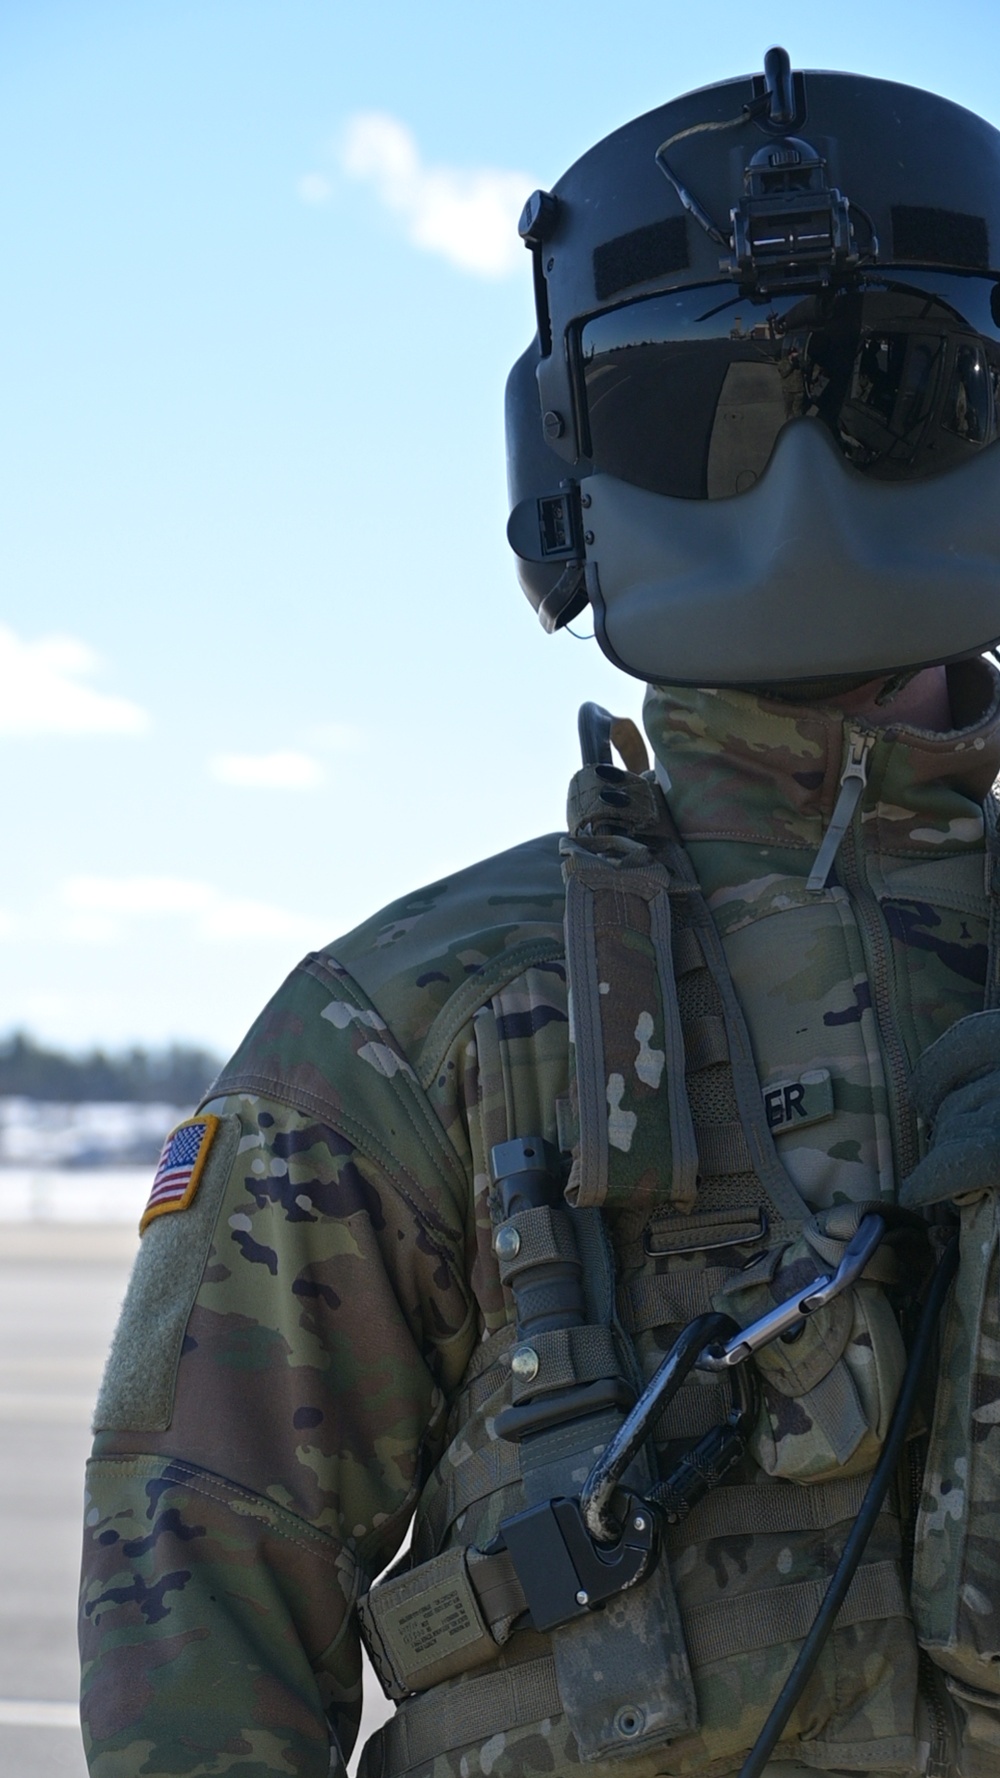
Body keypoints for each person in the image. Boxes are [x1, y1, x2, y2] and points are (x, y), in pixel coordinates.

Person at [79, 48, 1000, 1778]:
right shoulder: (400, 1036)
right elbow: (203, 1610)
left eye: (891, 388)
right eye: (713, 412)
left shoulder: (384, 1020)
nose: (802, 472)